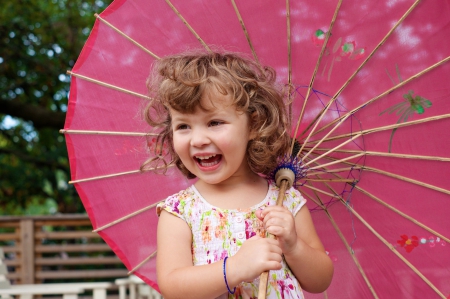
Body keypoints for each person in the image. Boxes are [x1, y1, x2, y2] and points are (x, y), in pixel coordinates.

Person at [141, 51, 333, 299]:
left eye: (214, 122)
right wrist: (233, 269)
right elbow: (172, 286)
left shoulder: (285, 201)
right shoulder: (180, 211)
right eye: (183, 126)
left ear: (253, 126)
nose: (198, 140)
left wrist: (294, 246)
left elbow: (320, 280)